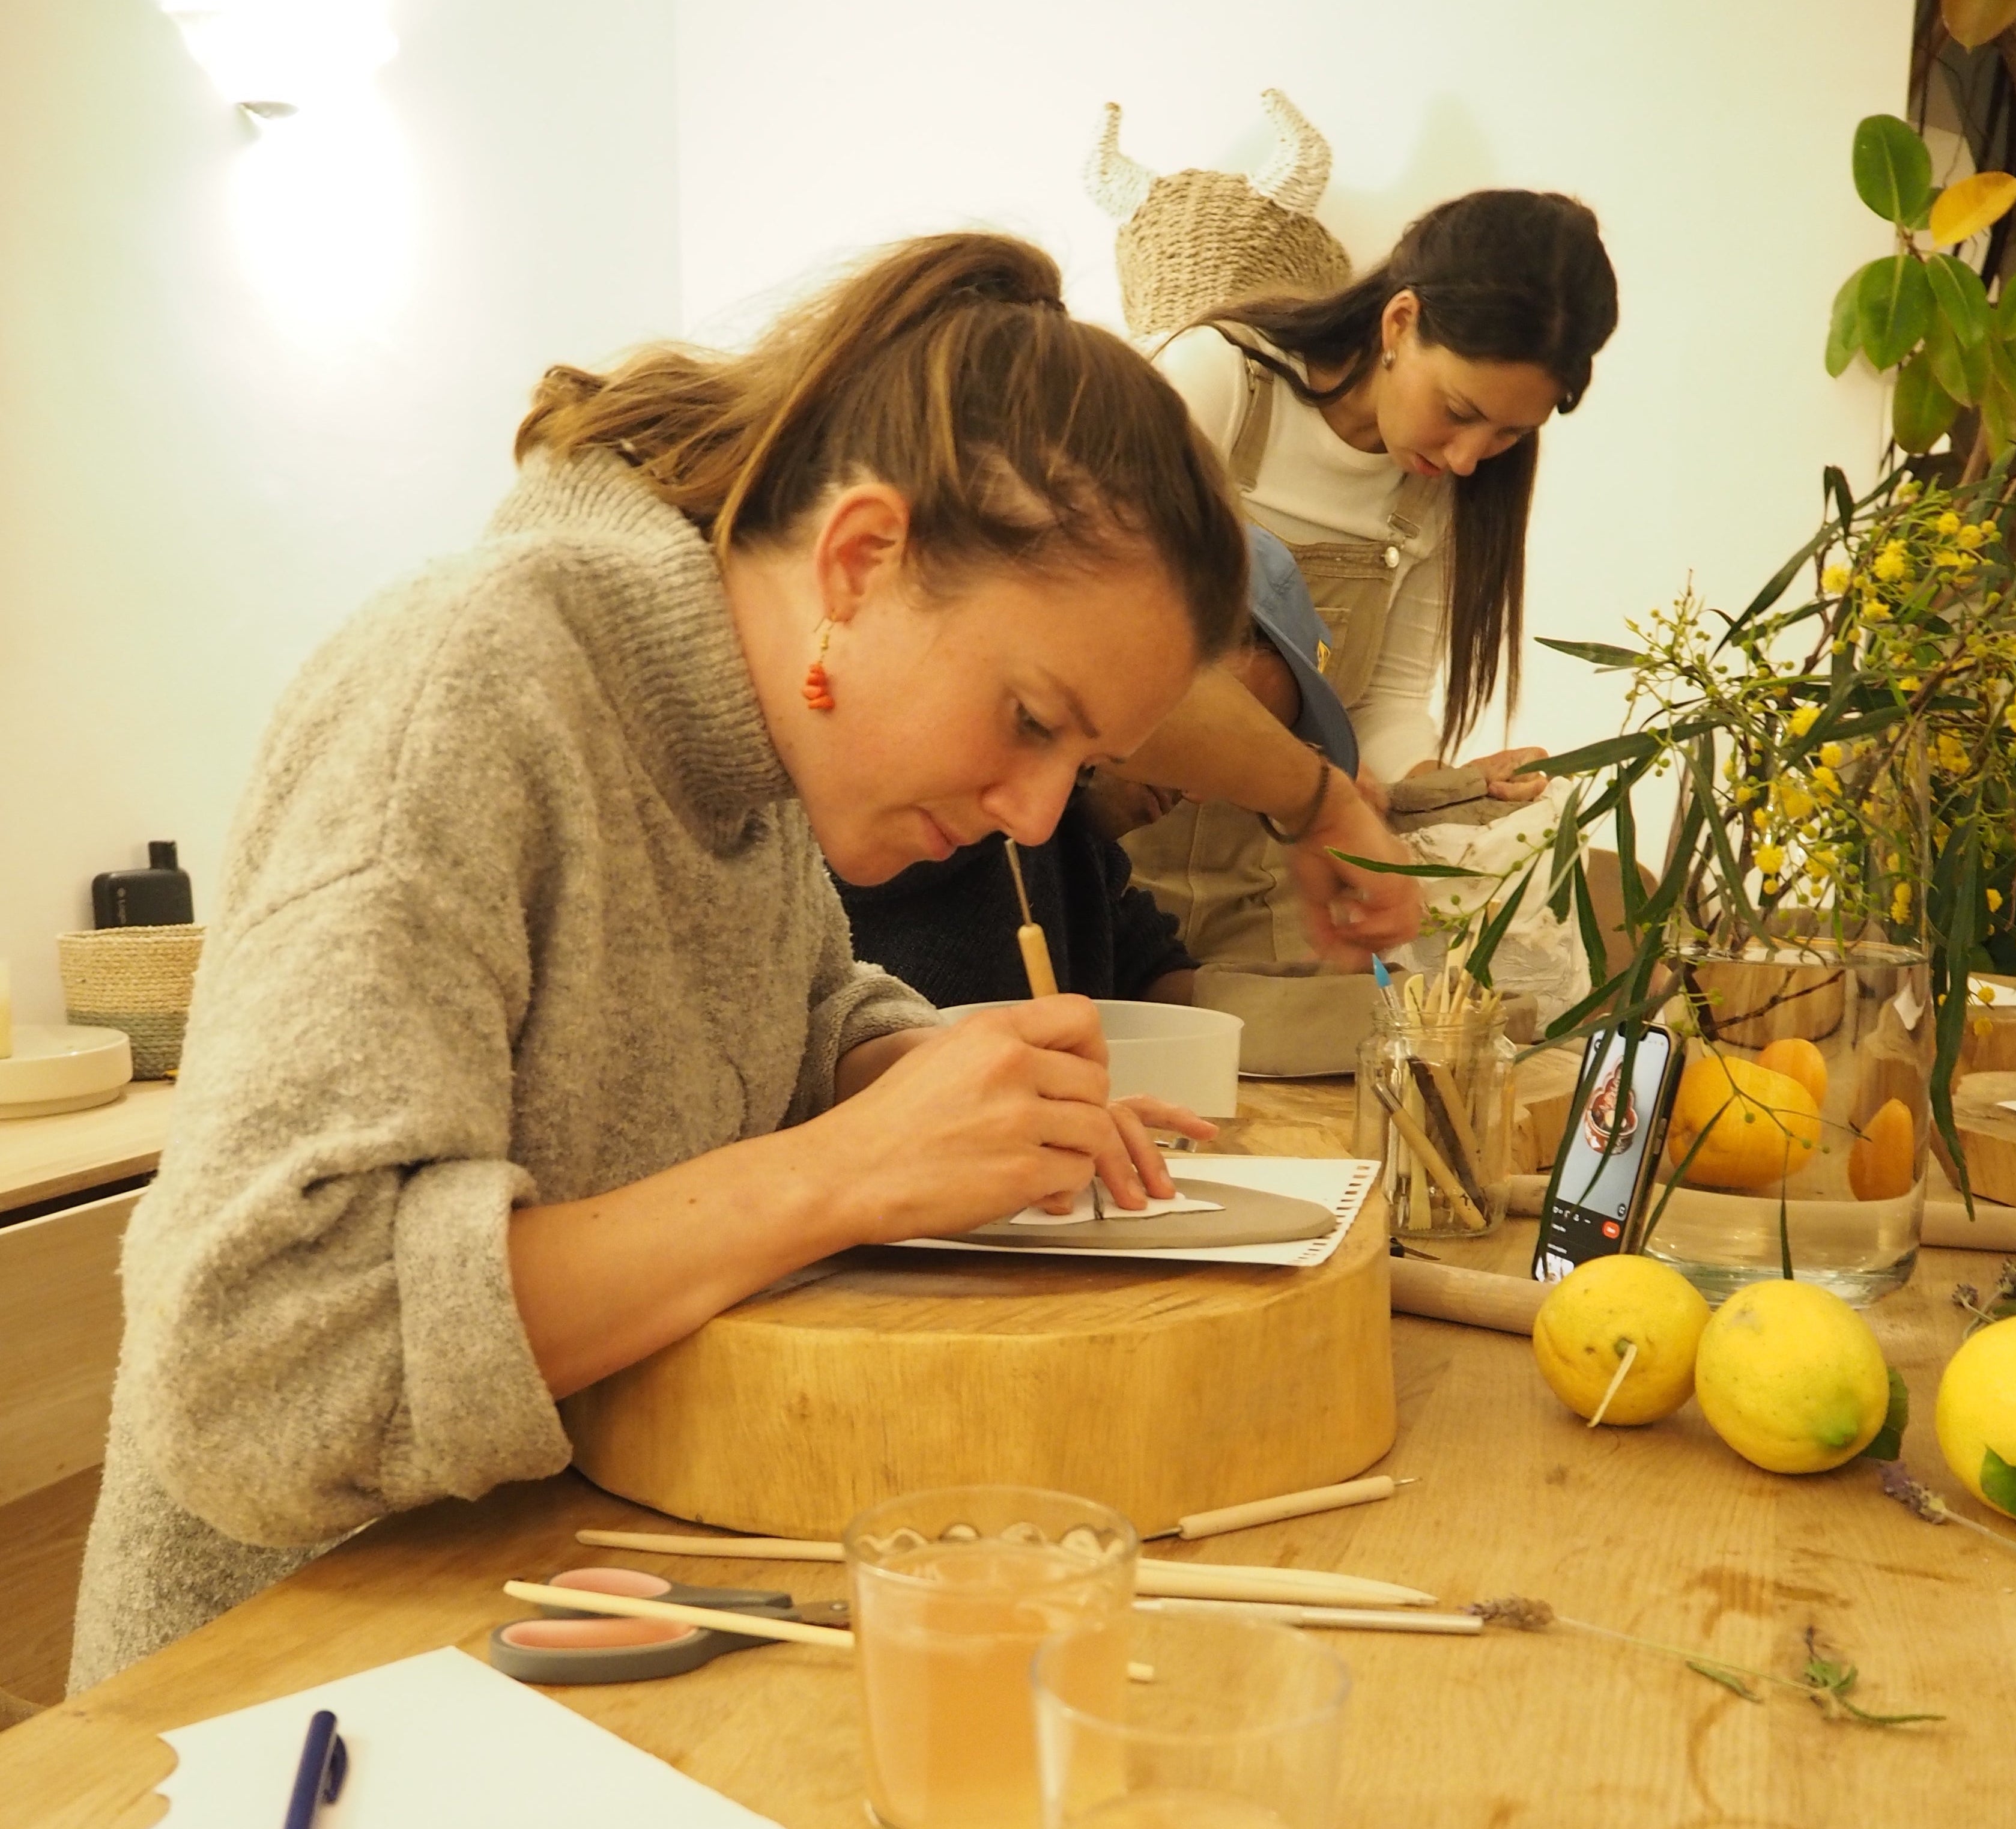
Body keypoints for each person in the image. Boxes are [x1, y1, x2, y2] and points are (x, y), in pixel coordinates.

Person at [67, 232, 1253, 1688]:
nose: (1031, 811)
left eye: (1082, 762)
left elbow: (790, 1003)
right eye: (1028, 718)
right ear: (861, 560)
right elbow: (264, 1369)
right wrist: (846, 1170)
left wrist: (915, 1066)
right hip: (286, 1690)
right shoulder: (473, 689)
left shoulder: (749, 755)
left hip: (569, 1594)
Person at [1128, 188, 1620, 966]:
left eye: (1506, 435)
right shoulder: (1217, 382)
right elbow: (1111, 654)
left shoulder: (1435, 494)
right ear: (1400, 322)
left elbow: (1381, 706)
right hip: (1110, 846)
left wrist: (1444, 791)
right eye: (1458, 409)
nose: (1466, 457)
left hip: (1274, 875)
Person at [838, 526, 1370, 1009]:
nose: (1206, 789)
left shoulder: (1079, 852)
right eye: (1231, 738)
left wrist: (1325, 1011)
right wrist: (1319, 801)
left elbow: (1147, 971)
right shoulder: (949, 794)